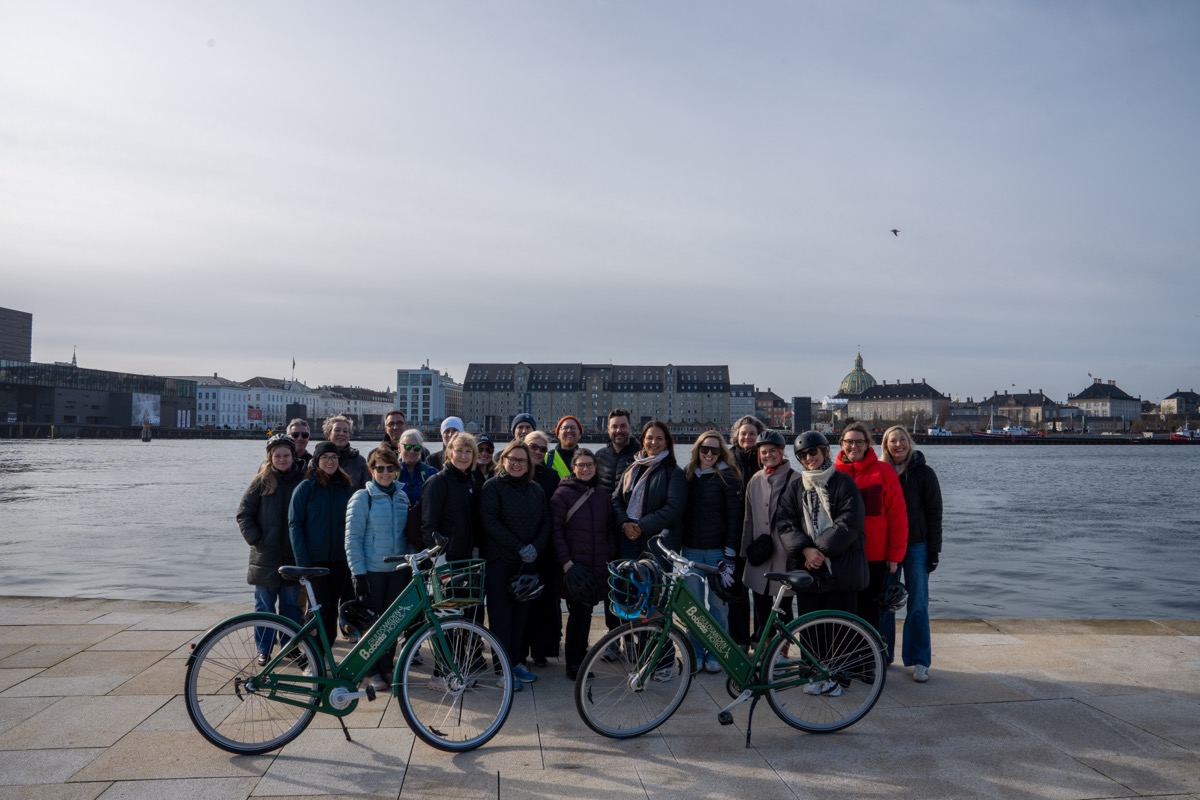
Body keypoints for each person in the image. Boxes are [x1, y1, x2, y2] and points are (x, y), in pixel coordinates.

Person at [480, 441, 551, 691]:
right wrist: (519, 546)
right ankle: (502, 669)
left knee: (522, 617)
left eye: (522, 460)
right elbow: (490, 521)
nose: (517, 464)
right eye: (512, 458)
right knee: (501, 618)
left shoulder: (536, 490)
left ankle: (517, 661)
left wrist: (535, 549)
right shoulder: (492, 487)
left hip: (528, 563)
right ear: (504, 459)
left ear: (529, 464)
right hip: (500, 562)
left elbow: (546, 522)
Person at [778, 431, 868, 617]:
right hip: (808, 570)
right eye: (802, 455)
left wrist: (818, 551)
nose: (808, 458)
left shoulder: (844, 482)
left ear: (825, 451)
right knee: (810, 634)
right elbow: (786, 523)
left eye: (812, 452)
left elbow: (850, 521)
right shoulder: (795, 487)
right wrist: (806, 550)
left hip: (842, 569)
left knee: (842, 633)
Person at [344, 446, 411, 691]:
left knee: (393, 623)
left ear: (396, 470)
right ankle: (369, 670)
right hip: (372, 569)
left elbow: (406, 536)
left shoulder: (403, 497)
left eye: (389, 468)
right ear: (371, 470)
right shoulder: (363, 497)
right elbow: (352, 539)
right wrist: (358, 573)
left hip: (398, 570)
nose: (384, 473)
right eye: (379, 468)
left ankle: (386, 665)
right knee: (372, 624)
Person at [880, 425, 943, 683]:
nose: (898, 445)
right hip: (887, 546)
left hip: (917, 545)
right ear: (886, 445)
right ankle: (882, 655)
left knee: (918, 603)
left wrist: (934, 552)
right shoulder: (881, 473)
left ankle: (919, 660)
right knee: (885, 603)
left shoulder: (924, 473)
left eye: (902, 440)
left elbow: (935, 514)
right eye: (892, 441)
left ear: (910, 442)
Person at [236, 433, 306, 665]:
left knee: (291, 605)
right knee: (264, 606)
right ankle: (264, 648)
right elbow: (243, 513)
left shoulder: (303, 478)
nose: (282, 459)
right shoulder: (261, 480)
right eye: (277, 456)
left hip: (293, 555)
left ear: (293, 455)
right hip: (265, 556)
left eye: (286, 455)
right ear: (270, 457)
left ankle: (290, 646)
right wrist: (257, 540)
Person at [836, 422, 908, 640]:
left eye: (859, 442)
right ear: (842, 444)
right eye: (849, 442)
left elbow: (898, 516)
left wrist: (895, 556)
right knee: (844, 611)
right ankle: (845, 662)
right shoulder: (833, 472)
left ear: (868, 444)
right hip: (843, 556)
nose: (854, 446)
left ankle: (869, 664)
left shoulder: (883, 471)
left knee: (871, 612)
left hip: (875, 556)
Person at [681, 432, 743, 673]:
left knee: (718, 606)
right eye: (705, 449)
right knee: (693, 607)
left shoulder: (728, 476)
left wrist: (729, 555)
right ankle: (696, 652)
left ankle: (718, 652)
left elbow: (734, 518)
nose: (709, 454)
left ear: (721, 452)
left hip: (718, 552)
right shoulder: (687, 474)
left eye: (714, 451)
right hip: (691, 550)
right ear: (698, 449)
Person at [549, 448, 613, 680]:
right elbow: (556, 531)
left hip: (598, 565)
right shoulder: (562, 495)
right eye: (581, 465)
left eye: (589, 465)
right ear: (573, 467)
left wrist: (609, 560)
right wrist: (566, 563)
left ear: (595, 468)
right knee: (578, 615)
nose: (585, 469)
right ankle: (574, 664)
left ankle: (580, 658)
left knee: (585, 614)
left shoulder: (602, 495)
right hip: (575, 566)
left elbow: (607, 531)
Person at [289, 440, 356, 644]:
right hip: (314, 561)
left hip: (339, 560)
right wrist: (303, 562)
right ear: (317, 461)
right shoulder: (306, 488)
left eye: (334, 457)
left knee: (332, 608)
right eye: (325, 457)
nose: (330, 461)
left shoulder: (346, 488)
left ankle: (326, 651)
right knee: (319, 608)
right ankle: (314, 653)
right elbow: (294, 524)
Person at [739, 430, 798, 638]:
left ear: (782, 451)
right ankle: (763, 647)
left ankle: (781, 652)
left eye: (772, 451)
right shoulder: (755, 479)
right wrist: (746, 552)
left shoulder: (796, 480)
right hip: (760, 555)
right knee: (761, 607)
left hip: (785, 556)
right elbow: (749, 518)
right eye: (763, 452)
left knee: (784, 609)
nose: (767, 455)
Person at [612, 420, 687, 559]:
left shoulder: (674, 472)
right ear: (643, 441)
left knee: (655, 581)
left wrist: (641, 526)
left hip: (656, 545)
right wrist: (624, 523)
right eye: (649, 438)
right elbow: (616, 499)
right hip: (627, 539)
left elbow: (673, 509)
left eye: (659, 438)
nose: (654, 442)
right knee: (627, 580)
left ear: (666, 443)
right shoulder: (631, 468)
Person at [724, 414, 765, 651]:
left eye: (752, 433)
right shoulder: (727, 461)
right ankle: (739, 641)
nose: (748, 437)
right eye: (743, 433)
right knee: (736, 593)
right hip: (735, 536)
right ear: (736, 437)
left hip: (761, 538)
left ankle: (761, 640)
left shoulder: (766, 458)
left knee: (762, 594)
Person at [521, 430, 562, 667]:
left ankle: (541, 650)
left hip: (544, 547)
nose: (537, 452)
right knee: (521, 600)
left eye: (542, 449)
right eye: (532, 447)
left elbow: (554, 514)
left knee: (544, 602)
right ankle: (519, 648)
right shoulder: (514, 472)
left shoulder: (552, 476)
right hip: (519, 548)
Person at [421, 432, 482, 562]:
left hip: (467, 556)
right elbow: (428, 524)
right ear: (450, 453)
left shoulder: (471, 482)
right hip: (445, 557)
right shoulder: (437, 482)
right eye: (459, 451)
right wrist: (437, 559)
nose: (463, 456)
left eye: (468, 451)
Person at [595, 408, 640, 496]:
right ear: (608, 430)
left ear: (630, 428)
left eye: (623, 426)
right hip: (603, 508)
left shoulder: (641, 456)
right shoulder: (599, 456)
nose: (618, 430)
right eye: (614, 427)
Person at [324, 414, 368, 490]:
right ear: (328, 434)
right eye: (337, 430)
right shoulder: (317, 460)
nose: (341, 433)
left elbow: (366, 489)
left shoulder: (360, 461)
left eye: (345, 431)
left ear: (349, 436)